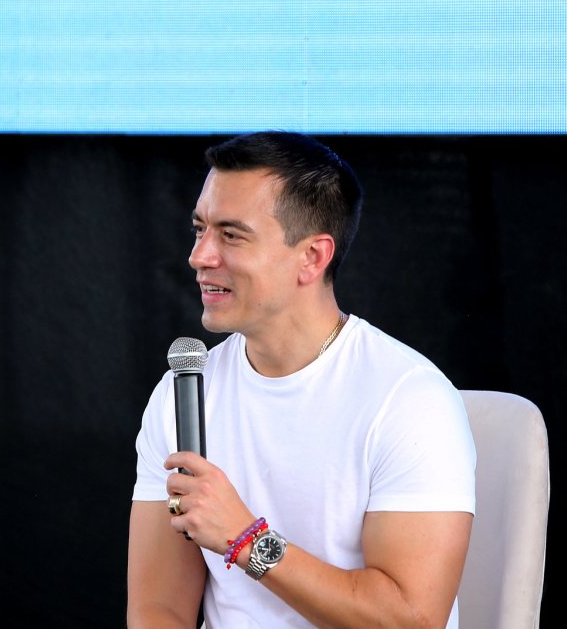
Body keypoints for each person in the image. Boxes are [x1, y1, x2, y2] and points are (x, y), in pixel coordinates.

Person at [127, 132, 476, 628]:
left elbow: (410, 619)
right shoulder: (182, 394)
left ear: (312, 257)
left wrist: (246, 539)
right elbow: (157, 609)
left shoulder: (410, 400)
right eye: (199, 229)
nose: (200, 256)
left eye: (231, 234)